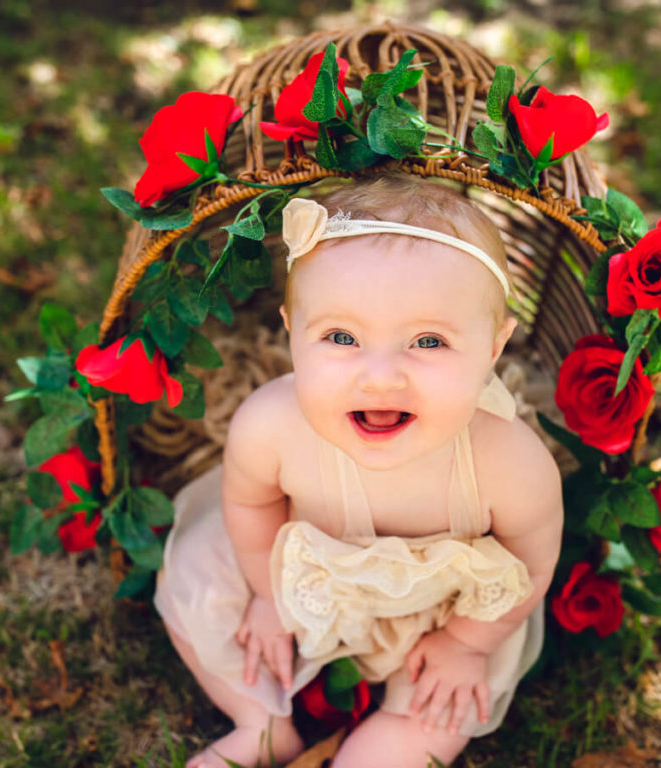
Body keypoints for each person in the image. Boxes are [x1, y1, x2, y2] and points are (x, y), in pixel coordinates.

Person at [154, 174, 564, 768]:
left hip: (432, 617)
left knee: (439, 702)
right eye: (341, 336)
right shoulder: (271, 426)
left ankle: (380, 751)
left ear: (494, 348)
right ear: (293, 330)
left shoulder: (513, 464)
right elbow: (250, 505)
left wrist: (464, 643)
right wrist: (269, 597)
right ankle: (261, 724)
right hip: (297, 571)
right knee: (200, 572)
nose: (380, 376)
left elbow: (531, 564)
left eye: (428, 342)